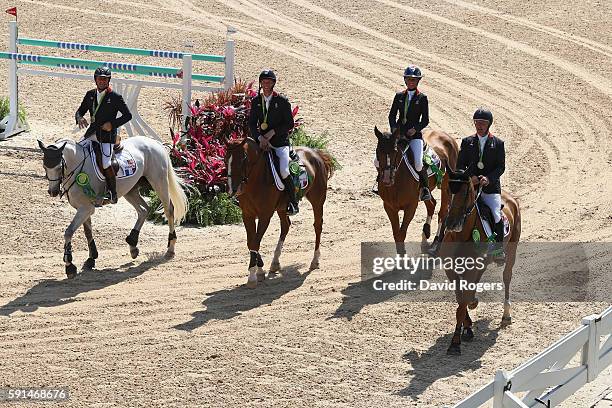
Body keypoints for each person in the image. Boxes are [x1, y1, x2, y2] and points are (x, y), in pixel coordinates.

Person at [75, 66, 132, 205]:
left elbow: (128, 115)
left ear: (108, 81)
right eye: (99, 79)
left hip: (107, 136)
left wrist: (112, 124)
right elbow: (79, 111)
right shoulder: (89, 94)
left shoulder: (115, 97)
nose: (102, 81)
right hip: (91, 133)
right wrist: (79, 118)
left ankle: (112, 193)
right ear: (95, 80)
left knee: (106, 163)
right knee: (76, 152)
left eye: (104, 79)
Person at [456, 107, 506, 261]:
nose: (479, 125)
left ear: (489, 124)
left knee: (496, 214)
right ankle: (442, 241)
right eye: (477, 122)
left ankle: (498, 250)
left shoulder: (498, 143)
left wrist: (488, 178)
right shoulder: (467, 142)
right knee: (454, 209)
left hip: (490, 188)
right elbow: (460, 166)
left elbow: (500, 167)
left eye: (483, 123)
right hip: (471, 188)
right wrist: (471, 178)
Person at [248, 69, 298, 215]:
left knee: (283, 170)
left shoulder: (282, 101)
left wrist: (273, 132)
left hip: (279, 143)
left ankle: (293, 202)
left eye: (268, 82)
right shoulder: (256, 101)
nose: (265, 85)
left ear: (273, 84)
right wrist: (259, 137)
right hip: (262, 142)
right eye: (263, 82)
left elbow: (289, 124)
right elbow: (252, 124)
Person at [379, 64, 430, 200]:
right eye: (409, 79)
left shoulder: (422, 98)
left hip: (414, 136)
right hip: (398, 135)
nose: (411, 82)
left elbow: (425, 120)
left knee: (418, 163)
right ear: (405, 80)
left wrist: (416, 129)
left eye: (413, 80)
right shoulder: (399, 96)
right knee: (379, 159)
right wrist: (394, 129)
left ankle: (425, 189)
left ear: (418, 81)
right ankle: (378, 182)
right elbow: (392, 116)